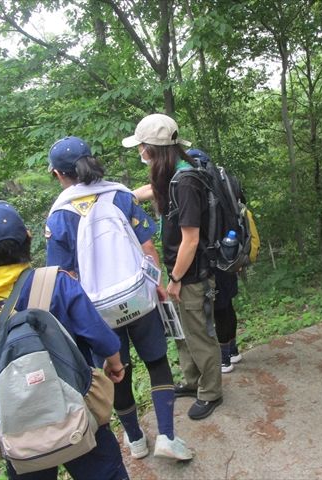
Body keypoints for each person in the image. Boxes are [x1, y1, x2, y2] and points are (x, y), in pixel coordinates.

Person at [0, 200, 129, 480]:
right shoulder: (58, 282)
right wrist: (115, 363)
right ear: (28, 238)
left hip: (18, 426)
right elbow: (101, 338)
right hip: (77, 409)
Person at [44, 137, 194, 461]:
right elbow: (148, 248)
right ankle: (167, 435)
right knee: (157, 362)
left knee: (117, 370)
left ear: (58, 174)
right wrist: (157, 284)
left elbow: (63, 277)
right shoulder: (119, 195)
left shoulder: (58, 216)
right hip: (138, 298)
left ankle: (136, 440)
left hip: (96, 312)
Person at [122, 114, 223, 420]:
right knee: (183, 331)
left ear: (153, 149)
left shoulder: (186, 181)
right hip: (180, 271)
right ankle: (192, 381)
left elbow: (190, 240)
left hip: (192, 274)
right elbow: (149, 191)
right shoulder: (175, 173)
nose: (140, 153)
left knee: (200, 334)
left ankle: (211, 392)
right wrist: (118, 196)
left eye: (142, 147)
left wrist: (176, 278)